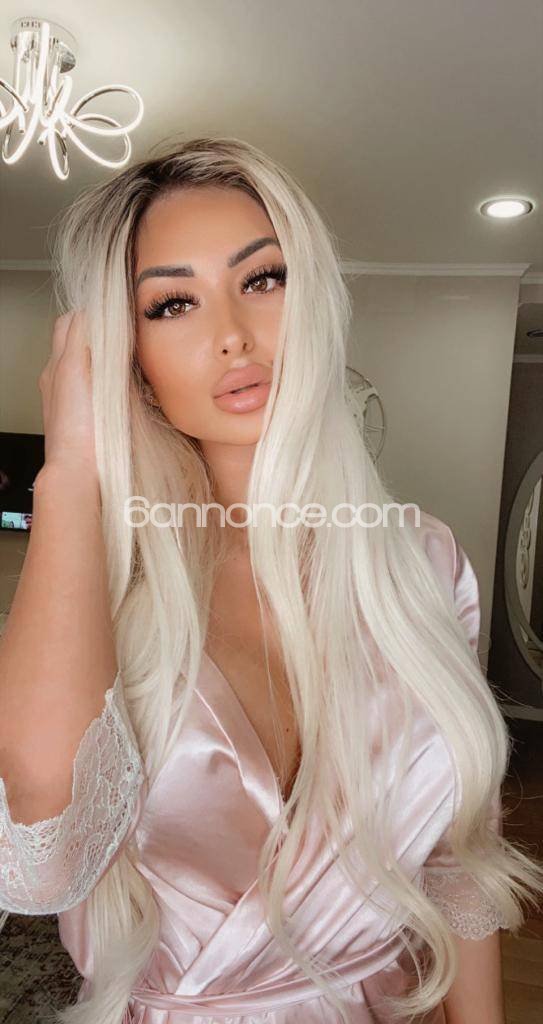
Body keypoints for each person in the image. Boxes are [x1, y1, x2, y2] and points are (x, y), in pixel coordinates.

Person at [0, 135, 541, 1024]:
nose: (231, 336)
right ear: (128, 357)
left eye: (262, 279)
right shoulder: (104, 590)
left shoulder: (423, 561)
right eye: (172, 303)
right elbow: (38, 865)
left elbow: (456, 857)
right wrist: (68, 474)